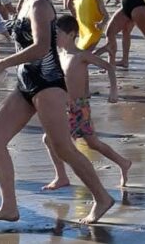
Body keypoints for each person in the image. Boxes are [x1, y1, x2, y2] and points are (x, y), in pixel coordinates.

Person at [0, 0, 115, 225]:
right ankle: (9, 207)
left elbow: (41, 47)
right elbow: (17, 35)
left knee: (64, 147)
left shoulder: (41, 5)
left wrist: (3, 63)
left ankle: (102, 197)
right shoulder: (24, 1)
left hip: (47, 83)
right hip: (26, 83)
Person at [41, 14, 132, 192]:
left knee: (49, 138)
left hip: (78, 108)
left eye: (58, 33)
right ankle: (123, 162)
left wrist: (113, 91)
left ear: (71, 34)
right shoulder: (60, 55)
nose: (54, 37)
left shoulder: (80, 55)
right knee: (93, 143)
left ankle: (61, 176)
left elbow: (109, 67)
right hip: (65, 107)